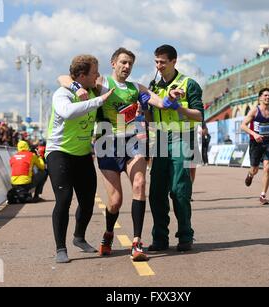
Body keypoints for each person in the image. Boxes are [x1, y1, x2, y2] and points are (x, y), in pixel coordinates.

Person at [58, 48, 164, 262]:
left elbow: (160, 102)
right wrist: (77, 88)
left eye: (130, 64)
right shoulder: (102, 83)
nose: (127, 67)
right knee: (115, 201)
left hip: (133, 142)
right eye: (123, 62)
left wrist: (170, 98)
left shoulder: (136, 88)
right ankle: (108, 233)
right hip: (108, 144)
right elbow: (62, 78)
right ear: (113, 63)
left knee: (140, 184)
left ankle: (136, 242)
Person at [48, 54, 114, 263]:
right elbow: (67, 112)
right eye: (94, 72)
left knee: (87, 201)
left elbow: (119, 92)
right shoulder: (62, 93)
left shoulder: (93, 89)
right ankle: (60, 248)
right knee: (64, 199)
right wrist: (96, 100)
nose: (98, 75)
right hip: (59, 152)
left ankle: (79, 237)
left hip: (83, 154)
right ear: (82, 75)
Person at [147, 44, 204, 252]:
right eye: (156, 62)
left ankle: (185, 235)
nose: (159, 66)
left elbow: (199, 115)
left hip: (183, 137)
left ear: (173, 61)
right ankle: (160, 238)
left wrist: (178, 107)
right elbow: (150, 118)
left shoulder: (189, 84)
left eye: (163, 62)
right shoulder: (153, 87)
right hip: (161, 139)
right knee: (156, 192)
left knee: (179, 190)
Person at [241, 88, 269, 205]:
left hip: (268, 142)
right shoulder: (255, 111)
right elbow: (243, 126)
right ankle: (250, 174)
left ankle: (263, 195)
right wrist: (254, 134)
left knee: (267, 168)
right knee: (255, 169)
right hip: (255, 143)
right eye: (265, 95)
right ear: (260, 98)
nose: (268, 97)